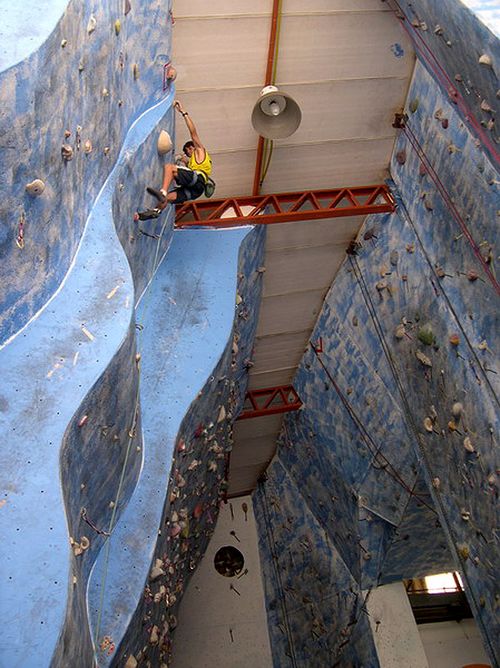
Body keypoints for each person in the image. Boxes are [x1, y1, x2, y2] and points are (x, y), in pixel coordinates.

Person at [137, 101, 213, 220]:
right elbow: (188, 165)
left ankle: (162, 192)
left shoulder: (200, 151)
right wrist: (183, 160)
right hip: (196, 191)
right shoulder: (196, 163)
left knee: (170, 168)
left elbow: (193, 133)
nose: (187, 153)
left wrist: (183, 112)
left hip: (198, 180)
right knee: (168, 198)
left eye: (188, 150)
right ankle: (152, 212)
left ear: (191, 147)